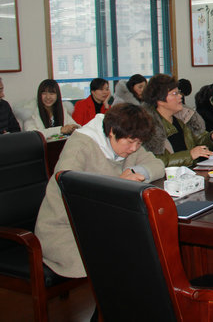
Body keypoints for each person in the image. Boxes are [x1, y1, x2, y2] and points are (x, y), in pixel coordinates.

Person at [34, 103, 165, 278]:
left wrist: (134, 172)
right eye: (130, 142)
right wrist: (118, 184)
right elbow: (71, 197)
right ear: (111, 132)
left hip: (103, 224)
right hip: (67, 230)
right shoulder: (81, 146)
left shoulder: (127, 137)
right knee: (127, 255)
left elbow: (158, 165)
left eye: (139, 143)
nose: (134, 148)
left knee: (149, 245)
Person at [141, 74, 213, 167]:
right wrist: (189, 155)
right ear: (160, 100)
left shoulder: (184, 117)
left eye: (179, 92)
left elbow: (199, 138)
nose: (180, 96)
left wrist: (212, 137)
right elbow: (156, 162)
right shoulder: (148, 127)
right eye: (174, 93)